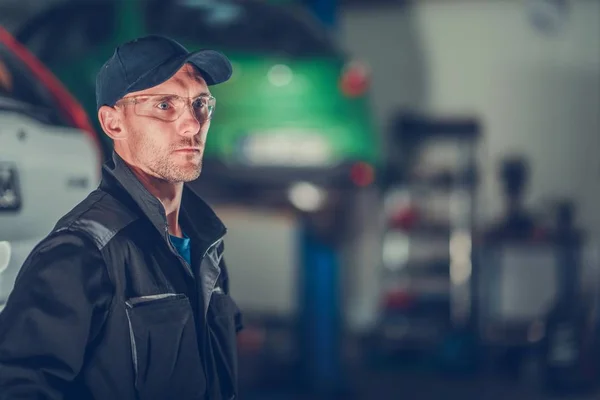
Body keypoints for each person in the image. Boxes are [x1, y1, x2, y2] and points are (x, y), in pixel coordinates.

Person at [0, 35, 243, 400]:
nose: (193, 125)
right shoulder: (81, 252)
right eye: (164, 105)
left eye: (200, 104)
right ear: (113, 123)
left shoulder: (208, 244)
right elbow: (18, 383)